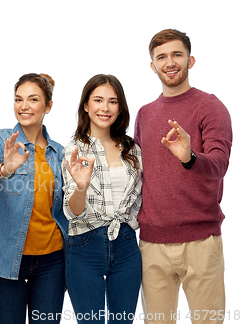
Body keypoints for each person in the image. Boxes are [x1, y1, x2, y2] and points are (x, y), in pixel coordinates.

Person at [135, 29, 231, 324]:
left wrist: (189, 157)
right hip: (152, 243)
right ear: (153, 66)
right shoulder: (144, 114)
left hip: (200, 242)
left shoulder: (211, 107)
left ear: (190, 60)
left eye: (177, 54)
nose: (170, 62)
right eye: (161, 57)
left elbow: (219, 164)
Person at [0, 73, 68, 323]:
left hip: (52, 260)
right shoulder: (1, 138)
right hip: (7, 259)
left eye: (33, 99)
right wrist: (6, 169)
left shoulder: (59, 152)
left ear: (48, 106)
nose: (24, 106)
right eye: (18, 99)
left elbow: (66, 208)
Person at [62, 74, 142, 323]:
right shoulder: (74, 149)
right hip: (85, 247)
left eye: (112, 101)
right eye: (98, 100)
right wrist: (82, 187)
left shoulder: (132, 149)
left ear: (120, 108)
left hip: (127, 245)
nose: (105, 108)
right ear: (86, 105)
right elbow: (73, 212)